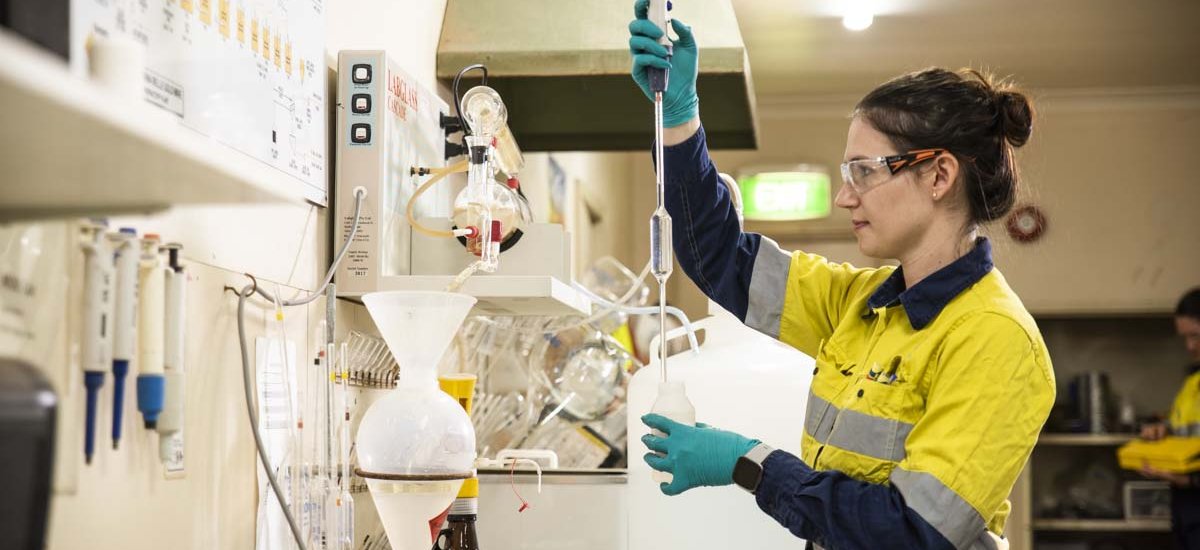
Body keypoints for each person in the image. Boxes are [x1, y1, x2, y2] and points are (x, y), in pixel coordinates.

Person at [626, 1, 1055, 549]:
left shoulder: (996, 339)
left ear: (939, 174)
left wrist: (749, 462)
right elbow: (719, 258)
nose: (844, 195)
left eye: (864, 171)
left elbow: (910, 534)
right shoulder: (862, 304)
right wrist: (680, 118)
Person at [1137, 288, 1200, 549]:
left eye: (1195, 337)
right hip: (1186, 507)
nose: (1189, 346)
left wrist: (1188, 480)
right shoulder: (1192, 383)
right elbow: (1182, 429)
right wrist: (1161, 431)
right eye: (1184, 338)